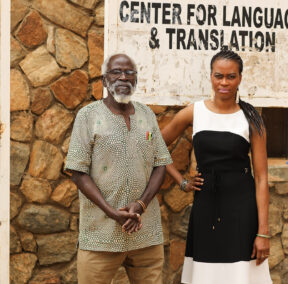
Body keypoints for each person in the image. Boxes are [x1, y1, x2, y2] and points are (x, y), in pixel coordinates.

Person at [161, 50, 273, 283]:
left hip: (242, 210)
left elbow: (261, 178)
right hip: (206, 207)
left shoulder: (251, 118)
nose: (224, 82)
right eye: (218, 76)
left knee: (241, 273)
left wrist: (263, 232)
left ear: (240, 78)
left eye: (230, 76)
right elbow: (154, 144)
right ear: (210, 77)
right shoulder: (194, 112)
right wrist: (181, 181)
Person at [65, 54, 172, 284]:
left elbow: (160, 164)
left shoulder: (147, 115)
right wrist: (112, 212)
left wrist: (141, 204)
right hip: (100, 236)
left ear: (136, 79)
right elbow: (78, 172)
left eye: (129, 72)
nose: (123, 77)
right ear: (104, 80)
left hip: (145, 235)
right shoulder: (88, 116)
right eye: (116, 72)